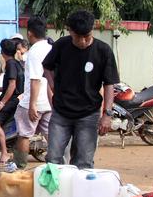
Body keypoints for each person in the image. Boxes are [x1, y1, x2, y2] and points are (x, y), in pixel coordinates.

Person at [42, 9, 120, 169]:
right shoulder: (61, 45)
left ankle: (80, 185)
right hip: (61, 113)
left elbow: (109, 84)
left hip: (89, 114)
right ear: (70, 31)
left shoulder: (103, 51)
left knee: (83, 162)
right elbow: (47, 66)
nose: (83, 41)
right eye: (78, 37)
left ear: (93, 30)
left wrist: (107, 114)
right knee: (53, 159)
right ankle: (57, 186)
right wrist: (53, 85)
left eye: (87, 36)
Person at [14, 16, 53, 170]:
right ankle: (59, 165)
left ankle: (20, 167)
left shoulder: (34, 52)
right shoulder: (51, 48)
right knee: (51, 135)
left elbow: (35, 79)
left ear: (29, 33)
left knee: (24, 135)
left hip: (33, 101)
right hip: (49, 102)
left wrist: (32, 105)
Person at [0, 39, 24, 170]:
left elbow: (12, 85)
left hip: (12, 100)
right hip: (15, 98)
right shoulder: (16, 63)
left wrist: (2, 103)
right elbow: (9, 86)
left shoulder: (10, 64)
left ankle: (4, 154)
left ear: (3, 52)